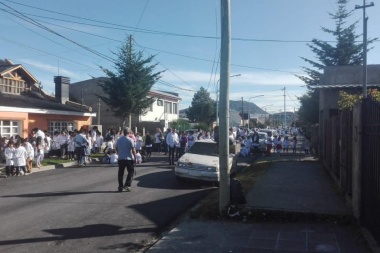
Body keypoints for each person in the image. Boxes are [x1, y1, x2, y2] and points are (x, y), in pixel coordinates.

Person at [115, 128, 137, 192]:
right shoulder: (130, 140)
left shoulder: (119, 140)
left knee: (120, 173)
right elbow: (133, 150)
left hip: (121, 158)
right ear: (129, 133)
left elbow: (116, 148)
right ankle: (127, 185)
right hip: (128, 158)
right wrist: (135, 157)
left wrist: (119, 153)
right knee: (131, 171)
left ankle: (120, 186)